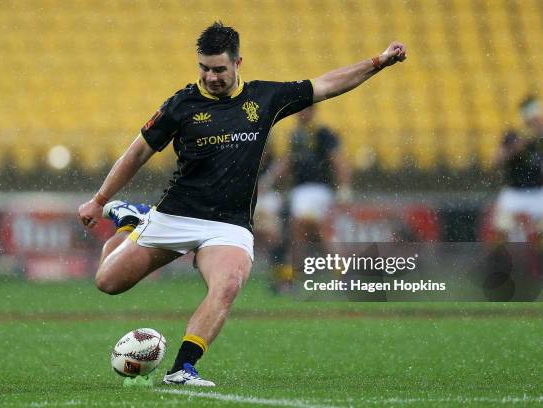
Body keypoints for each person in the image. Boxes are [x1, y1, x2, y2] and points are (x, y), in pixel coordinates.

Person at [78, 22, 406, 386]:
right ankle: (130, 221)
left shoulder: (264, 98)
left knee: (229, 283)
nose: (211, 76)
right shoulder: (180, 105)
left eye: (219, 68)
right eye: (204, 68)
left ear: (238, 63)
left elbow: (328, 83)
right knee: (108, 282)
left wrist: (377, 62)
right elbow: (138, 151)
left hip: (229, 224)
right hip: (177, 214)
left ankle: (183, 368)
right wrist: (101, 199)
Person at [258, 105, 351, 290]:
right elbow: (289, 162)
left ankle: (300, 276)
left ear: (313, 112)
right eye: (300, 110)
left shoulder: (323, 134)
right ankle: (307, 275)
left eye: (305, 110)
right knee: (307, 232)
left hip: (317, 189)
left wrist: (345, 187)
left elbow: (338, 160)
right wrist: (268, 181)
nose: (302, 113)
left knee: (306, 230)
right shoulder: (296, 136)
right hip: (301, 191)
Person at [493, 96, 543, 242]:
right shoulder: (513, 135)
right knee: (501, 231)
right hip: (514, 191)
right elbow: (495, 160)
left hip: (537, 191)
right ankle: (499, 262)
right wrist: (517, 146)